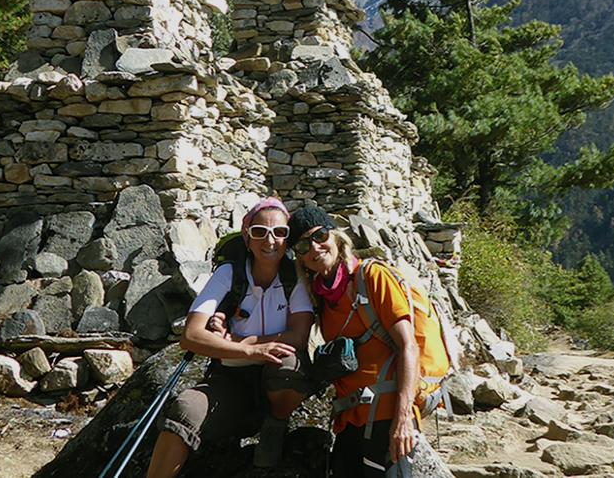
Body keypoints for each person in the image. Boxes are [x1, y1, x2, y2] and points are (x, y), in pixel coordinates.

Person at [146, 198, 314, 477]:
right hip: (229, 378)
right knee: (186, 409)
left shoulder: (295, 278)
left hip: (272, 374)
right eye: (259, 232)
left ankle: (276, 422)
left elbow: (298, 335)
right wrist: (248, 351)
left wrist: (240, 343)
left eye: (280, 232)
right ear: (247, 237)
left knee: (288, 367)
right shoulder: (228, 273)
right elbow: (191, 335)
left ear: (288, 238)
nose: (270, 240)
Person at [289, 206, 420, 478]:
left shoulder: (373, 278)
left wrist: (403, 418)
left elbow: (409, 346)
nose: (314, 247)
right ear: (299, 258)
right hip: (349, 417)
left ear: (336, 237)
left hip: (386, 415)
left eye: (320, 235)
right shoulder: (320, 297)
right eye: (303, 245)